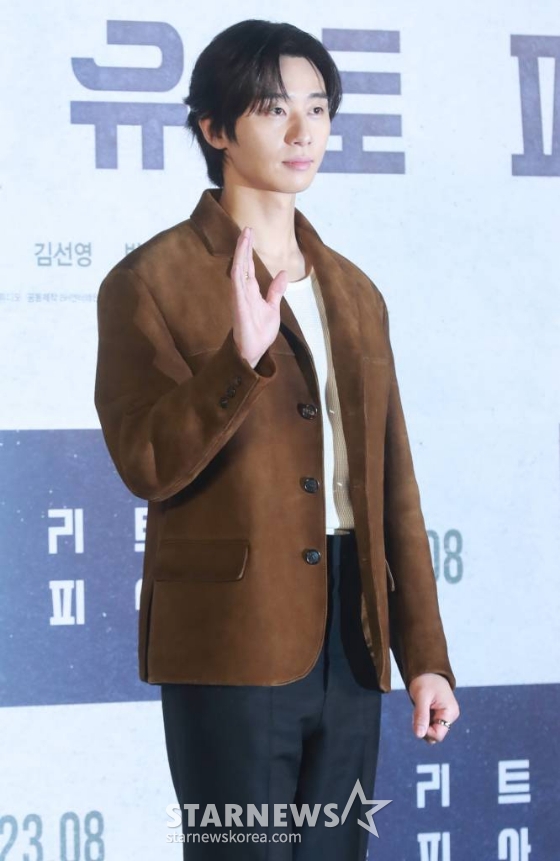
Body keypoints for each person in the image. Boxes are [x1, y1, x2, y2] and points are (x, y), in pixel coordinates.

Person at [94, 18, 460, 860]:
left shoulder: (354, 291)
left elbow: (394, 486)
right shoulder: (149, 281)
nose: (303, 131)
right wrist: (238, 362)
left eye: (318, 108)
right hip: (233, 637)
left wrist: (425, 655)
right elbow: (144, 460)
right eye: (272, 108)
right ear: (215, 128)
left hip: (353, 637)